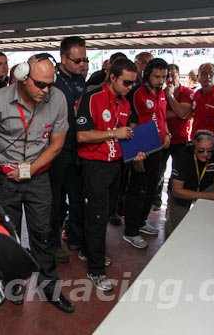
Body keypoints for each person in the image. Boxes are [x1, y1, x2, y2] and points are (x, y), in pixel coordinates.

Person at [0, 54, 74, 313]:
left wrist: (27, 170)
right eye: (40, 84)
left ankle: (49, 289)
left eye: (50, 84)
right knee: (7, 234)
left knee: (43, 234)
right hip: (5, 179)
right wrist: (3, 164)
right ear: (23, 77)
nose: (46, 90)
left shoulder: (58, 100)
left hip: (38, 175)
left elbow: (56, 145)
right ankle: (14, 284)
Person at [76, 57, 140, 292]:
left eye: (133, 83)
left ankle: (87, 250)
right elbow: (82, 136)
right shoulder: (92, 98)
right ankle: (96, 270)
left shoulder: (124, 103)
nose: (130, 87)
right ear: (112, 77)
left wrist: (135, 147)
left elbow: (125, 133)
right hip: (95, 165)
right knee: (97, 215)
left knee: (107, 212)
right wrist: (115, 133)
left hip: (116, 164)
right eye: (126, 82)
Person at [122, 58, 170, 249]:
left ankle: (141, 221)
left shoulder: (162, 93)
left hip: (158, 146)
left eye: (164, 77)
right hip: (141, 147)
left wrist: (166, 132)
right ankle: (131, 231)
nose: (160, 80)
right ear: (147, 75)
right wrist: (135, 156)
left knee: (151, 187)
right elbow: (131, 125)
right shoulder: (136, 94)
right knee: (137, 189)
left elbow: (162, 116)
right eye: (157, 76)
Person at [51, 36, 88, 263]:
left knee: (77, 198)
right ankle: (54, 244)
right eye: (76, 61)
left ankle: (75, 236)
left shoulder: (79, 80)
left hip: (78, 148)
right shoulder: (52, 81)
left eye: (84, 59)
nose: (81, 64)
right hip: (57, 150)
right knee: (56, 201)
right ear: (63, 58)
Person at [166, 130, 214, 236]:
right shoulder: (182, 155)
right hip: (184, 190)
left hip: (207, 186)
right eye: (200, 150)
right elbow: (177, 191)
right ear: (193, 147)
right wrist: (208, 196)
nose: (205, 154)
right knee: (175, 230)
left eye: (209, 150)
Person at [152, 64, 195, 211]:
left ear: (179, 76)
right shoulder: (158, 92)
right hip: (162, 138)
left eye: (173, 76)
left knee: (179, 173)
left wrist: (170, 97)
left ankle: (174, 202)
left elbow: (183, 113)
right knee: (158, 171)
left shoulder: (187, 92)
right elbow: (157, 114)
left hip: (181, 140)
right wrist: (174, 112)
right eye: (166, 76)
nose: (169, 79)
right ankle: (156, 201)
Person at [191, 63, 214, 138]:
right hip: (196, 141)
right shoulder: (196, 94)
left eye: (211, 73)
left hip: (213, 142)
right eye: (204, 73)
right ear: (198, 77)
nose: (207, 76)